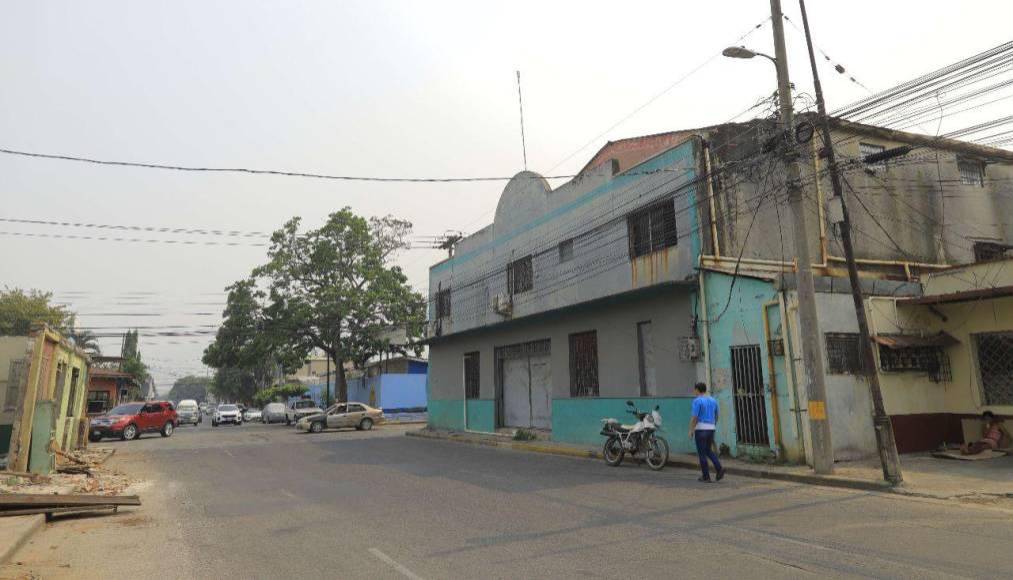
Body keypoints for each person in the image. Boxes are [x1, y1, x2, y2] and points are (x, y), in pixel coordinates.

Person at [688, 382, 724, 482]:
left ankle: (706, 476)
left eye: (695, 390)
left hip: (701, 429)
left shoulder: (697, 401)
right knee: (708, 450)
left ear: (697, 390)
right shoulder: (713, 400)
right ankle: (719, 469)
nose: (694, 391)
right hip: (711, 429)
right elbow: (716, 415)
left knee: (702, 453)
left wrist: (691, 430)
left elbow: (695, 417)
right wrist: (713, 425)